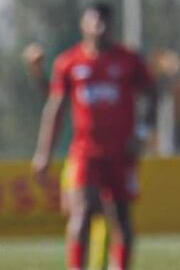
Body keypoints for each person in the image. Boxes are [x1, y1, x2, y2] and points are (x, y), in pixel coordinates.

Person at [32, 2, 155, 270]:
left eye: (105, 22)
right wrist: (44, 154)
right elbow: (55, 110)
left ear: (113, 25)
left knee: (120, 217)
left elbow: (152, 95)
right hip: (85, 152)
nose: (100, 27)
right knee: (82, 212)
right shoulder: (69, 62)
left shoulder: (129, 60)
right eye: (94, 21)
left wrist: (143, 133)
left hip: (122, 152)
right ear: (83, 25)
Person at [23, 43, 111, 270]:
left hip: (107, 158)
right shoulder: (72, 83)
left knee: (104, 215)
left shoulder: (106, 88)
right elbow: (53, 95)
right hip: (78, 159)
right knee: (81, 212)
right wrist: (37, 72)